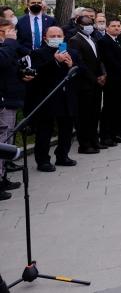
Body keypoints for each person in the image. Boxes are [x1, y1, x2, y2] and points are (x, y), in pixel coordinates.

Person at [29, 25, 79, 171]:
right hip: (48, 97)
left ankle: (63, 155)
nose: (56, 38)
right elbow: (37, 74)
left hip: (67, 97)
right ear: (45, 38)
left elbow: (80, 70)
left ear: (64, 37)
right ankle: (43, 160)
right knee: (45, 129)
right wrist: (55, 61)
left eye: (59, 36)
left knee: (66, 128)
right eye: (53, 36)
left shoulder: (72, 53)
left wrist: (71, 65)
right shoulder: (38, 53)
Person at [69, 14, 107, 152]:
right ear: (79, 26)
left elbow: (99, 59)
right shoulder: (75, 40)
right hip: (85, 84)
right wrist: (94, 78)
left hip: (97, 83)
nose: (90, 26)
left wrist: (103, 74)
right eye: (87, 24)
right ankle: (84, 144)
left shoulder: (93, 39)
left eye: (92, 23)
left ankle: (94, 140)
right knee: (84, 115)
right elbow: (79, 63)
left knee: (95, 114)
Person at [0, 18, 29, 199]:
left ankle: (3, 177)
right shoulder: (6, 47)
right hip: (2, 101)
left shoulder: (9, 46)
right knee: (2, 139)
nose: (9, 35)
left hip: (11, 99)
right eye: (4, 32)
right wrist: (10, 42)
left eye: (11, 31)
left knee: (7, 138)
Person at [97, 19, 121, 145]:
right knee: (109, 108)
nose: (117, 28)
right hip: (112, 80)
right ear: (107, 28)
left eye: (118, 26)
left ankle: (117, 133)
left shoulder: (119, 40)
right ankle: (106, 136)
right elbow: (110, 61)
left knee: (119, 108)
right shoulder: (104, 41)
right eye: (113, 26)